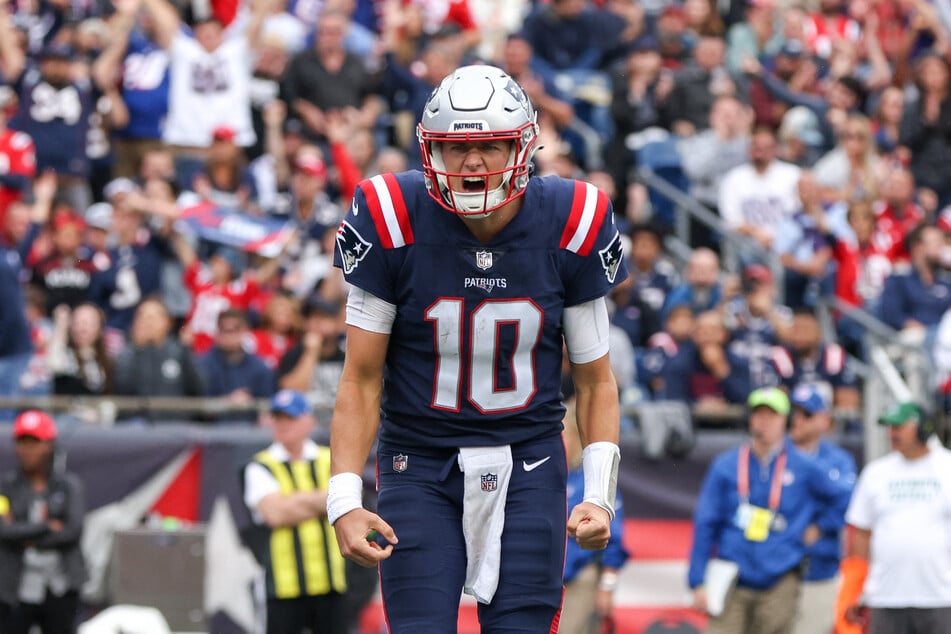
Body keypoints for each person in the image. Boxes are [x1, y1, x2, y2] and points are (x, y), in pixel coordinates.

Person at [327, 64, 628, 632]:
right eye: (455, 147)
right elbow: (360, 378)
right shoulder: (391, 214)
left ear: (523, 144)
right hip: (418, 461)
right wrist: (344, 498)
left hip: (529, 460)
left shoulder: (574, 218)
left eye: (490, 145)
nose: (472, 163)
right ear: (428, 149)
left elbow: (595, 380)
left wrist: (600, 492)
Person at [688, 387, 850, 634]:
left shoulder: (803, 465)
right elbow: (706, 523)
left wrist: (821, 527)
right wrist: (697, 579)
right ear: (749, 419)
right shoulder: (726, 465)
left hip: (780, 575)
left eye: (771, 416)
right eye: (758, 415)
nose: (764, 422)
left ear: (784, 420)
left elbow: (845, 497)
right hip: (733, 576)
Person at [835, 402, 951, 634]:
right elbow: (861, 533)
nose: (892, 433)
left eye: (899, 426)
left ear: (923, 428)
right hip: (885, 596)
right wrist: (855, 588)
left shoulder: (947, 467)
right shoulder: (876, 472)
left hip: (941, 595)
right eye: (890, 427)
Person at [242, 389, 347, 634]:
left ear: (308, 421)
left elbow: (349, 500)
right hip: (282, 585)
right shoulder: (260, 465)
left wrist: (292, 502)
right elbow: (275, 514)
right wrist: (323, 500)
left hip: (331, 582)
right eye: (278, 418)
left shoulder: (329, 458)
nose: (283, 425)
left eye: (290, 418)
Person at [0, 410, 88, 632]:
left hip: (60, 586)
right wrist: (46, 526)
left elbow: (72, 531)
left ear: (49, 445)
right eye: (22, 442)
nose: (27, 450)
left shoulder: (69, 486)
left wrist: (26, 537)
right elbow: (3, 531)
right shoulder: (5, 487)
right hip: (16, 588)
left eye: (35, 442)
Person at [787, 383, 856, 634]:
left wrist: (822, 525)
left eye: (806, 414)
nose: (797, 420)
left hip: (819, 567)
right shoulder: (775, 453)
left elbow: (848, 500)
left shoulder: (838, 460)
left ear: (824, 421)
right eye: (792, 412)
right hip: (774, 569)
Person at [559, 397, 629, 634]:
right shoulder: (546, 475)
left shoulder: (593, 483)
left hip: (580, 576)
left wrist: (606, 588)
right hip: (541, 575)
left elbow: (613, 539)